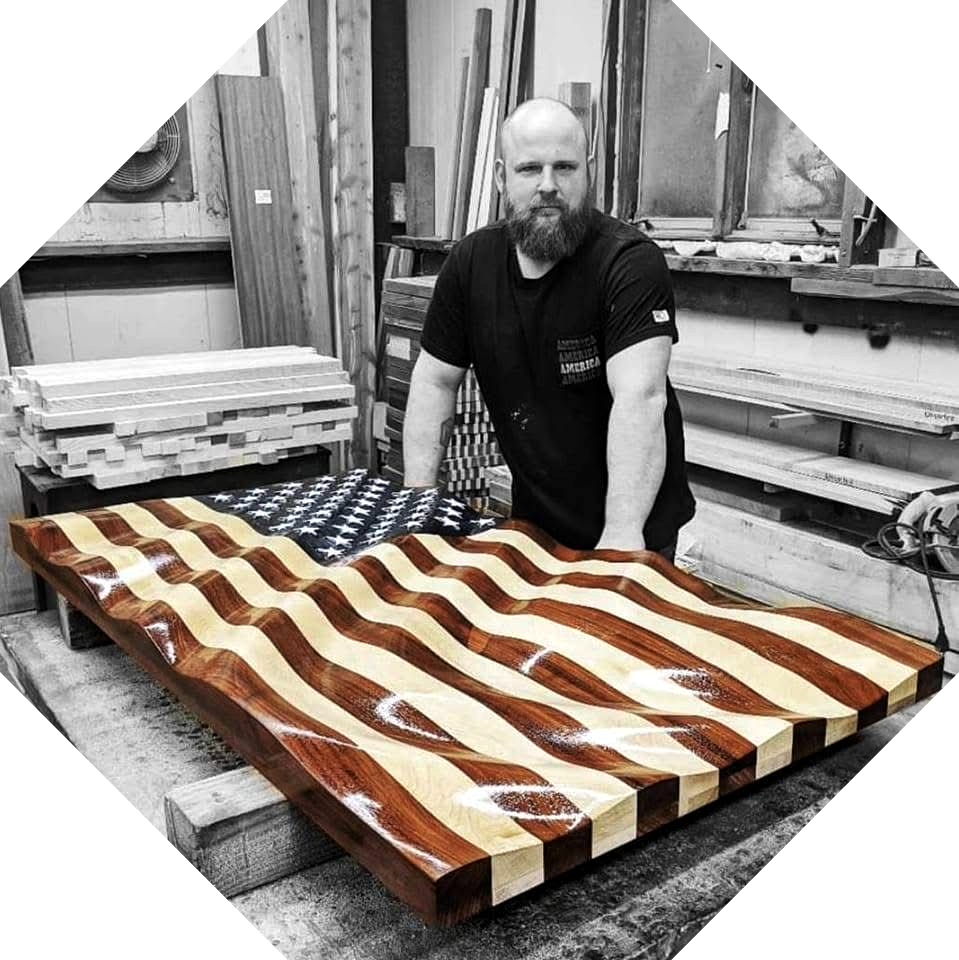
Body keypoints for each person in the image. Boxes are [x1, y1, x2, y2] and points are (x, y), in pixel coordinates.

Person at [402, 97, 695, 561]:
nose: (548, 186)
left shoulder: (629, 262)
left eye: (564, 167)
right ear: (501, 177)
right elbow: (435, 380)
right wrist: (419, 503)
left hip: (634, 527)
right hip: (535, 525)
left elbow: (640, 399)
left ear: (589, 169)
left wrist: (621, 537)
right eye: (529, 169)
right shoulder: (470, 264)